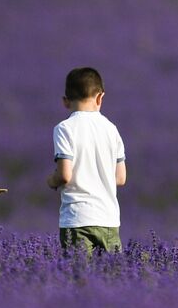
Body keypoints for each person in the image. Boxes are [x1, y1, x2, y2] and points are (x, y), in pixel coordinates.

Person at [47, 67, 127, 253]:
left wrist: (51, 180)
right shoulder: (111, 129)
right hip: (108, 218)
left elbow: (64, 175)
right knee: (112, 270)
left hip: (77, 219)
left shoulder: (64, 128)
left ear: (65, 101)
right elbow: (121, 178)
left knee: (79, 271)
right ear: (100, 98)